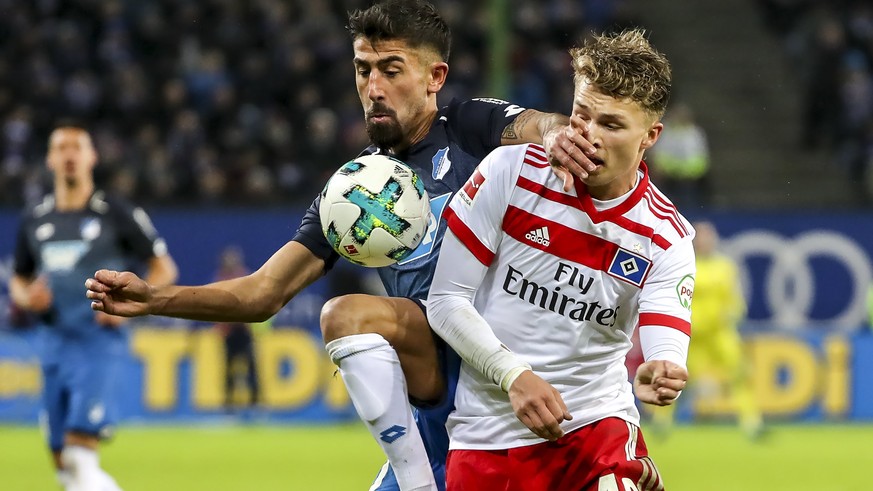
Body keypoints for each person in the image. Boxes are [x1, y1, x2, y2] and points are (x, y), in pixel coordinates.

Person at [85, 1, 597, 490]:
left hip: (516, 373)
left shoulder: (468, 129)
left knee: (347, 314)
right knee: (346, 315)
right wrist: (155, 300)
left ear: (434, 78)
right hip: (442, 396)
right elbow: (262, 293)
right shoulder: (352, 193)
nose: (373, 87)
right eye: (362, 70)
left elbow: (536, 124)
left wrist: (554, 136)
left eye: (391, 70)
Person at [426, 29, 693, 490]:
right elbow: (446, 301)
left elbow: (665, 338)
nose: (588, 136)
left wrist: (663, 367)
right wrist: (514, 376)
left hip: (595, 432)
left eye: (610, 125)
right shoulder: (510, 171)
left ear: (651, 136)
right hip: (486, 432)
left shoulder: (665, 235)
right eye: (581, 116)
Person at [10, 125, 178, 491]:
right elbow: (19, 278)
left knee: (79, 455)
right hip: (53, 343)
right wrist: (25, 298)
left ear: (91, 157)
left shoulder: (115, 212)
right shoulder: (36, 218)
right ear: (51, 159)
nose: (69, 154)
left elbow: (164, 268)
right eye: (61, 148)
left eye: (77, 147)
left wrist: (134, 301)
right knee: (62, 465)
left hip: (98, 343)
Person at [650, 220, 763, 439]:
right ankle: (661, 422)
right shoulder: (685, 263)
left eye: (708, 237)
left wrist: (734, 313)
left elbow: (735, 298)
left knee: (739, 374)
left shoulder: (725, 266)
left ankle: (752, 423)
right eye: (701, 237)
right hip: (692, 334)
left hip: (720, 333)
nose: (704, 242)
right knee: (676, 377)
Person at [212, 246, 260, 412]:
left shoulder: (246, 277)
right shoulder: (222, 279)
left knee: (251, 367)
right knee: (228, 368)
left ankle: (255, 404)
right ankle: (229, 404)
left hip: (244, 330)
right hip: (230, 332)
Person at [647, 102, 710, 210]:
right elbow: (658, 151)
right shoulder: (667, 131)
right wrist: (659, 167)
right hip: (668, 176)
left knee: (690, 205)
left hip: (691, 177)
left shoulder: (694, 133)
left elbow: (699, 154)